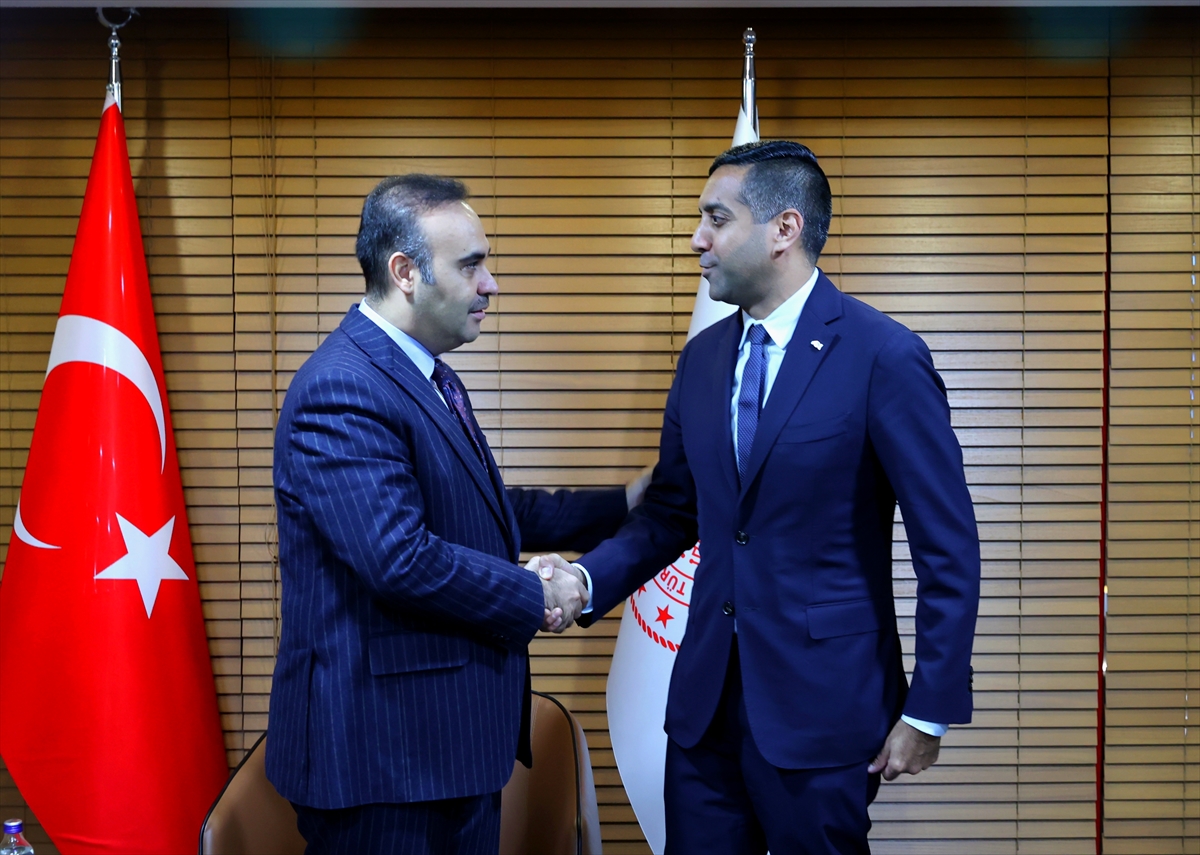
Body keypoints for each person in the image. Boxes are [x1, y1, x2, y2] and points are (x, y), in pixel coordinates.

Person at [533, 140, 981, 854]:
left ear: (784, 229)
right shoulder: (702, 360)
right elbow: (672, 512)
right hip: (704, 711)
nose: (696, 239)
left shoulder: (883, 355)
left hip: (825, 710)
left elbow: (947, 547)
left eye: (716, 218)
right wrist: (585, 581)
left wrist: (929, 708)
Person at [266, 174, 646, 855]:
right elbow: (398, 558)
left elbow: (487, 511)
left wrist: (624, 504)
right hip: (383, 766)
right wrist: (537, 593)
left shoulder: (425, 374)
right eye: (471, 265)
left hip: (444, 750)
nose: (490, 283)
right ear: (405, 272)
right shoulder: (343, 387)